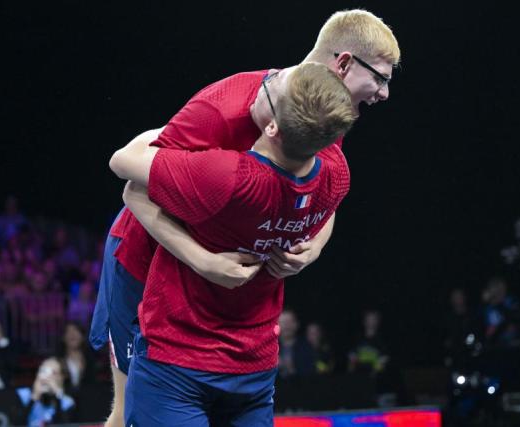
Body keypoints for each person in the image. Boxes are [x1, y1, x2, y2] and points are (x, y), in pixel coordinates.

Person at [89, 9, 400, 426]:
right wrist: (201, 259)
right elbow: (135, 187)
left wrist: (313, 248)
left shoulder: (323, 114)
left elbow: (327, 195)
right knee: (126, 413)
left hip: (224, 306)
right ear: (343, 63)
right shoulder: (223, 108)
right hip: (147, 257)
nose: (383, 92)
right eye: (379, 77)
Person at [117, 61, 356, 426]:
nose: (265, 81)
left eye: (271, 88)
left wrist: (201, 260)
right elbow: (329, 208)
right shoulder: (336, 174)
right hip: (255, 365)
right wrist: (316, 246)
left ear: (272, 127)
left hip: (177, 362)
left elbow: (126, 168)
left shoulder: (226, 177)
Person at [16, 357, 76, 427]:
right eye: (43, 371)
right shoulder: (23, 395)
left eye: (53, 373)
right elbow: (16, 424)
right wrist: (33, 398)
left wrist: (58, 396)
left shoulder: (67, 403)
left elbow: (63, 425)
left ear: (61, 378)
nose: (47, 378)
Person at [56, 321, 96, 392]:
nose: (72, 334)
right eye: (68, 331)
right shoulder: (56, 360)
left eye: (76, 330)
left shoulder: (90, 359)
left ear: (83, 337)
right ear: (63, 338)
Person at [277, 309, 316, 379]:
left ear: (297, 324)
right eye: (283, 322)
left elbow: (312, 374)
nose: (286, 325)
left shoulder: (307, 347)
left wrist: (292, 369)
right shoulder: (269, 349)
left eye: (289, 321)